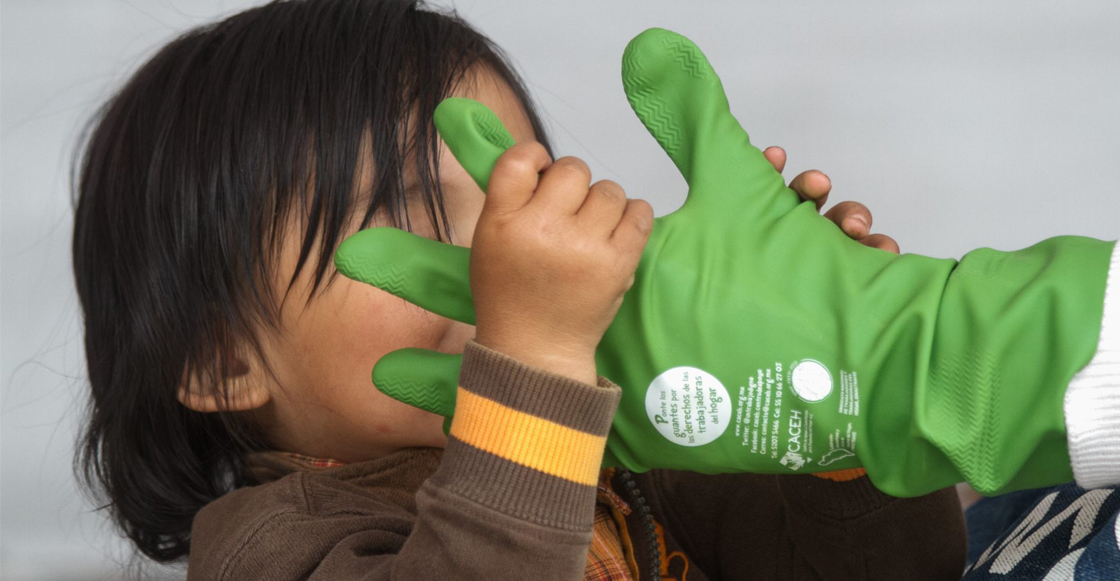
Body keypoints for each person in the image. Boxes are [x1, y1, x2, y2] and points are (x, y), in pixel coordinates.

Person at [71, 1, 965, 579]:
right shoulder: (273, 545)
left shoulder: (633, 439)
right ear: (224, 356)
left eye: (522, 192)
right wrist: (534, 358)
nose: (505, 251)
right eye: (406, 207)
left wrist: (828, 388)